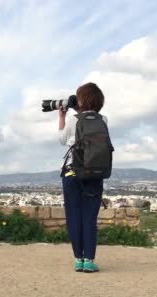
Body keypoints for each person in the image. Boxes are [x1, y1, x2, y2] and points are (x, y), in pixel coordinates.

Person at [58, 82, 107, 273]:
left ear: (81, 100)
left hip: (72, 173)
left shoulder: (73, 120)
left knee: (74, 216)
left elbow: (62, 141)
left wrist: (62, 116)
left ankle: (78, 259)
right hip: (94, 174)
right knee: (89, 217)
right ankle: (89, 260)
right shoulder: (104, 119)